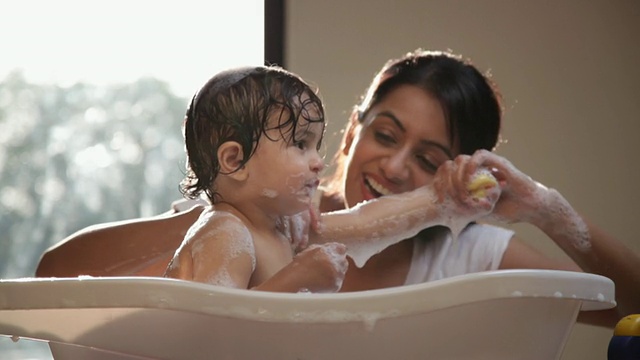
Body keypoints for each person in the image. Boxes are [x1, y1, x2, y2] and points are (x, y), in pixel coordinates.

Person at [35, 50, 640, 327]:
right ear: (351, 131)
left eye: (429, 159)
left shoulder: (468, 254)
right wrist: (218, 219)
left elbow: (630, 308)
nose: (398, 168)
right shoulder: (256, 220)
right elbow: (54, 275)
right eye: (385, 134)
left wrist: (544, 209)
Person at [145, 65, 498, 292]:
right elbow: (206, 331)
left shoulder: (280, 227)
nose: (318, 162)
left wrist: (439, 202)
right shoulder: (226, 233)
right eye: (300, 144)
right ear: (236, 161)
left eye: (316, 145)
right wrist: (295, 279)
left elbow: (365, 223)